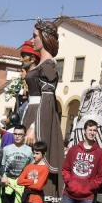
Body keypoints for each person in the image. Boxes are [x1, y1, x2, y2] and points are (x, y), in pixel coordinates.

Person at [23, 23, 65, 186]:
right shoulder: (41, 64)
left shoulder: (48, 66)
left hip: (40, 116)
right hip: (31, 112)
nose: (32, 40)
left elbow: (46, 102)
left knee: (37, 160)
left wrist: (34, 127)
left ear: (45, 38)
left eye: (35, 36)